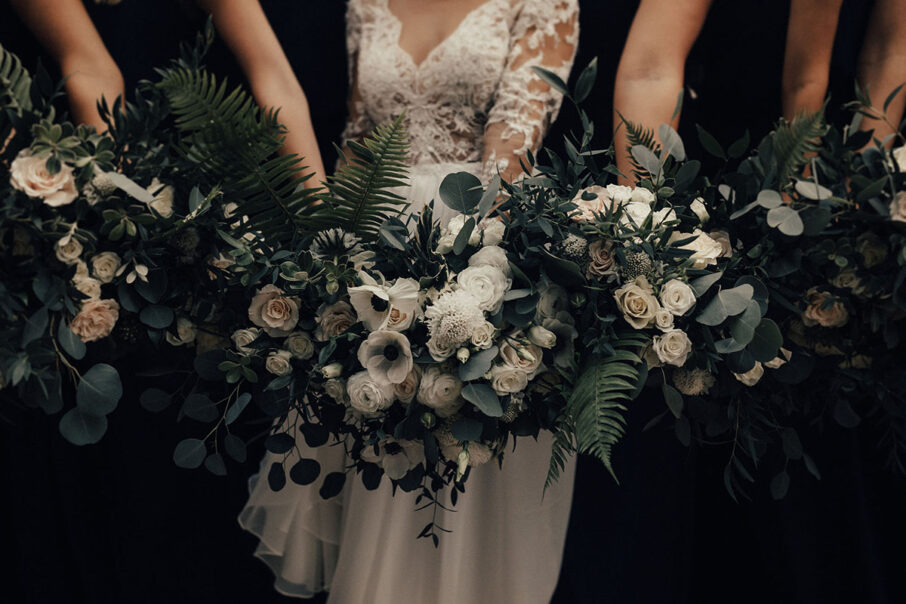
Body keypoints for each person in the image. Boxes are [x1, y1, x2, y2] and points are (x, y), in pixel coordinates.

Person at [239, 1, 580, 602]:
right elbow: (356, 144)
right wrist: (339, 264)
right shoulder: (364, 4)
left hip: (481, 254)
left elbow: (513, 153)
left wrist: (453, 288)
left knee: (464, 472)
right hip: (372, 252)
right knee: (379, 469)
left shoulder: (544, 3)